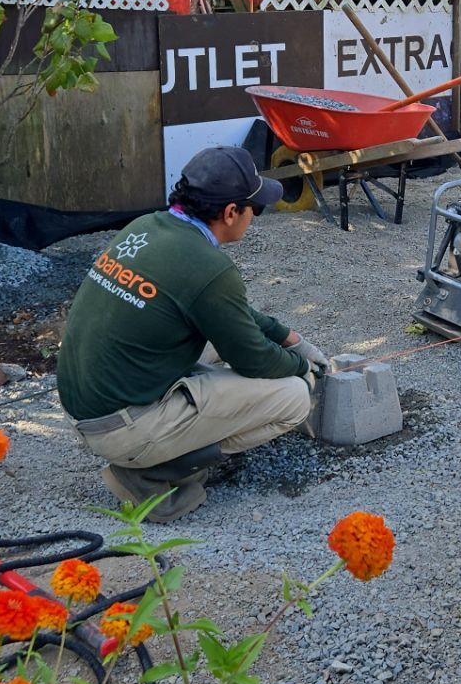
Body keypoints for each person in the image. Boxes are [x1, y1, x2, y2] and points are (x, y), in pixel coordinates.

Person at [56, 145, 329, 520]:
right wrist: (302, 368)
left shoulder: (146, 227)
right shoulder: (209, 267)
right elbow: (253, 358)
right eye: (256, 208)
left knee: (217, 345)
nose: (255, 216)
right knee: (293, 397)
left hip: (89, 405)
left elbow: (223, 312)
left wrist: (289, 337)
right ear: (231, 212)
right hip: (121, 427)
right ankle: (150, 471)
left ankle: (156, 443)